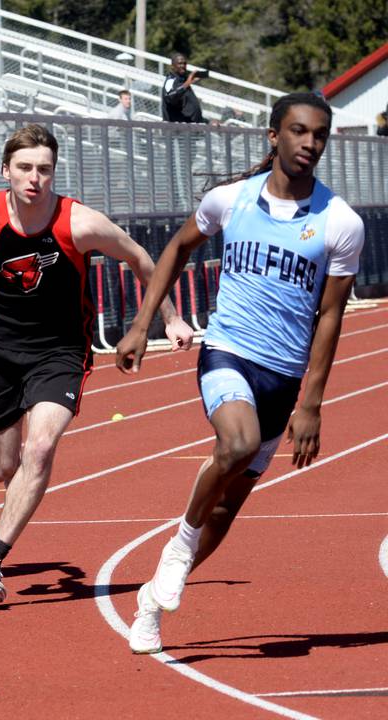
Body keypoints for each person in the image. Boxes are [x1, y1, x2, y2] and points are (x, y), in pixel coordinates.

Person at [118, 92, 365, 654]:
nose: (309, 144)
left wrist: (312, 403)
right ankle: (177, 549)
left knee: (226, 511)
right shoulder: (229, 200)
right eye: (298, 131)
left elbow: (330, 316)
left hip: (284, 375)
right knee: (236, 444)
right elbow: (179, 248)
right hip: (228, 351)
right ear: (273, 135)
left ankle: (151, 602)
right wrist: (141, 325)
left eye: (319, 135)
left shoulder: (341, 222)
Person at [0, 124, 194, 603]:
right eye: (24, 168)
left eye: (44, 169)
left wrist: (169, 318)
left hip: (60, 352)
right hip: (2, 351)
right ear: (5, 171)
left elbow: (139, 257)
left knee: (41, 448)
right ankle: (13, 503)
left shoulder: (80, 223)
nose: (34, 178)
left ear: (54, 174)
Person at [162, 54, 207, 124]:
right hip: (176, 130)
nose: (183, 66)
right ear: (172, 66)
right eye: (180, 63)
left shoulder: (183, 80)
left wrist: (208, 122)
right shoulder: (171, 79)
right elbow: (169, 96)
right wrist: (187, 83)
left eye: (184, 63)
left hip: (191, 128)